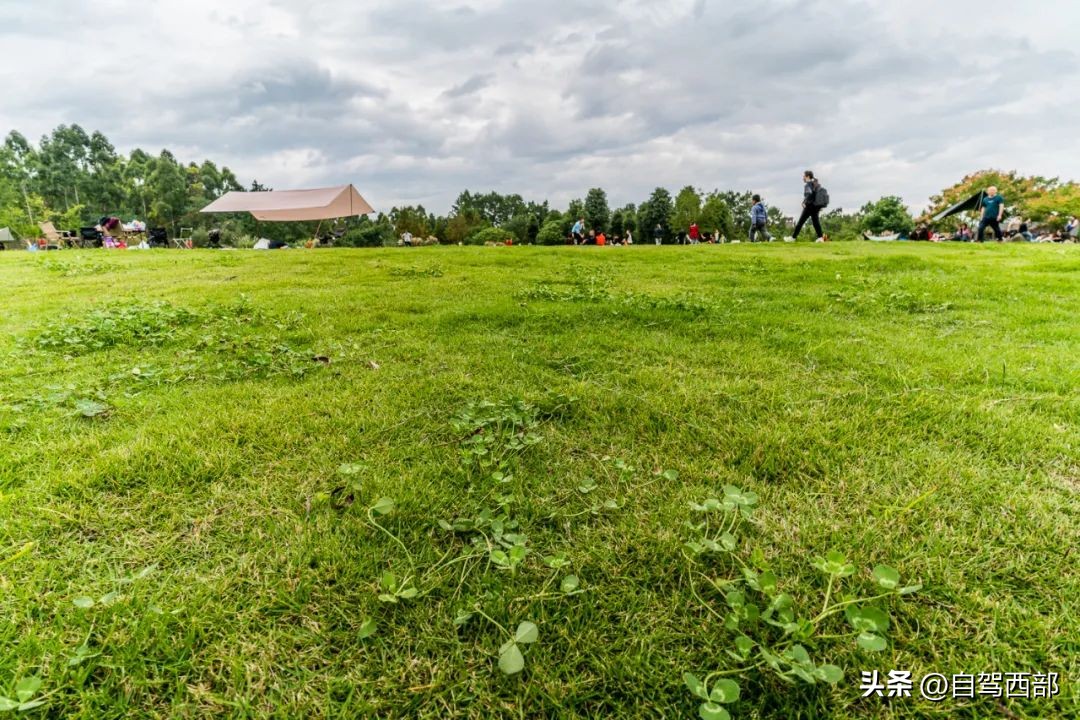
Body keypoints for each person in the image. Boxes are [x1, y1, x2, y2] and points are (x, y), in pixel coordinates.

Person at [791, 170, 826, 242]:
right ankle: (820, 238)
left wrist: (805, 202)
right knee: (816, 222)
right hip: (815, 206)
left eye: (804, 176)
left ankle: (793, 238)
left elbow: (809, 194)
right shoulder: (815, 183)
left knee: (800, 222)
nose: (803, 178)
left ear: (807, 176)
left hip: (809, 206)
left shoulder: (808, 184)